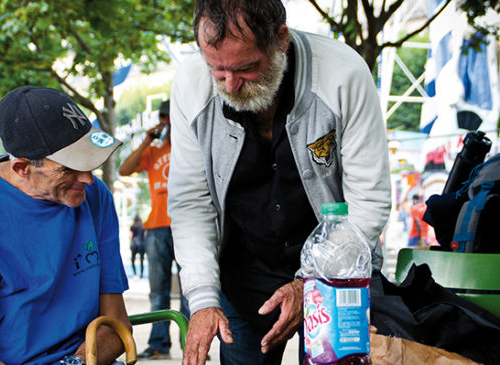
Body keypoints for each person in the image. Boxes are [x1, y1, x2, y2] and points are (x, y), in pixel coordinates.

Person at [167, 1, 392, 365]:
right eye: (216, 69)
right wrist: (203, 298)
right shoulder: (190, 84)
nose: (230, 84)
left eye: (246, 68)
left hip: (337, 275)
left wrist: (312, 282)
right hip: (242, 278)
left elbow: (370, 200)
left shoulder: (344, 73)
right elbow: (191, 203)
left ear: (281, 40)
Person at [0, 86, 130, 365]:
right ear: (22, 168)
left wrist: (73, 363)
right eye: (69, 167)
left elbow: (116, 325)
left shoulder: (95, 197)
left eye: (90, 162)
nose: (88, 179)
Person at [119, 100, 190, 360]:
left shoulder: (190, 147)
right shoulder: (154, 151)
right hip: (158, 227)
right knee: (158, 291)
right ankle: (159, 343)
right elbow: (124, 169)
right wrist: (147, 140)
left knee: (190, 290)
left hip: (187, 225)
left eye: (170, 117)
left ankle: (190, 345)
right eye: (163, 118)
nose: (167, 122)